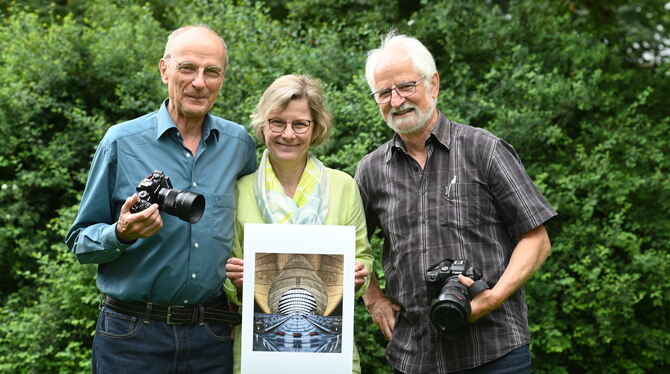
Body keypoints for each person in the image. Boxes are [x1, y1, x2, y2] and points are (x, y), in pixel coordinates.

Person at [355, 31, 558, 373]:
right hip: (415, 355)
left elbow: (536, 239)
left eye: (406, 86)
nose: (396, 100)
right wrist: (373, 298)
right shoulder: (371, 170)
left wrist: (492, 297)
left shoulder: (483, 150)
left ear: (433, 84)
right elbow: (351, 244)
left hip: (495, 351)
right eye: (384, 92)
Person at [65, 25, 256, 374]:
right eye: (187, 68)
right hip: (131, 334)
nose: (200, 82)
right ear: (164, 69)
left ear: (222, 79)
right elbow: (80, 241)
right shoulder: (122, 142)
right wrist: (121, 233)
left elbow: (253, 225)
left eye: (212, 72)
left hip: (211, 334)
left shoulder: (239, 144)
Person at [223, 74, 374, 373]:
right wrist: (233, 279)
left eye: (300, 124)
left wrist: (359, 275)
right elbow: (225, 270)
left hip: (333, 359)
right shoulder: (238, 190)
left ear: (315, 127)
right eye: (277, 122)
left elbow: (363, 257)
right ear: (263, 125)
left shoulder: (343, 186)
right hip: (256, 357)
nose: (288, 134)